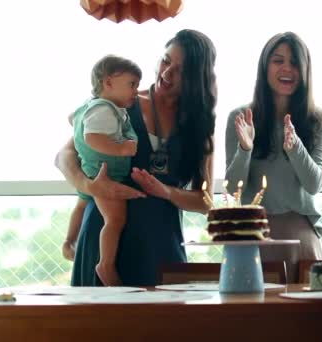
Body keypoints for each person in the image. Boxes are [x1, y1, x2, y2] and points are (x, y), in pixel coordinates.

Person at [55, 29, 217, 286]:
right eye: (165, 61)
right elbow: (64, 156)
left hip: (161, 250)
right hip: (104, 243)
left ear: (197, 78)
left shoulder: (199, 126)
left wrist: (165, 191)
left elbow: (205, 201)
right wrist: (88, 185)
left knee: (161, 326)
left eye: (180, 69)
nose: (166, 73)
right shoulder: (119, 102)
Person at [225, 32, 322, 282]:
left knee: (308, 320)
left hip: (301, 238)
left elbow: (314, 184)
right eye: (278, 60)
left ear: (305, 70)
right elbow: (232, 188)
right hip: (253, 235)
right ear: (265, 66)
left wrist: (294, 146)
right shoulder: (240, 117)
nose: (287, 68)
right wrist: (245, 148)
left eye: (295, 62)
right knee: (253, 318)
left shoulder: (321, 120)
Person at [62, 55, 141, 286]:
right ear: (108, 83)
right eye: (131, 84)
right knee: (115, 219)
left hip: (90, 173)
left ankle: (69, 241)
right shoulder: (105, 110)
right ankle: (105, 264)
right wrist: (120, 149)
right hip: (106, 175)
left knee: (82, 203)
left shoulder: (89, 107)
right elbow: (93, 138)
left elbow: (72, 119)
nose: (135, 91)